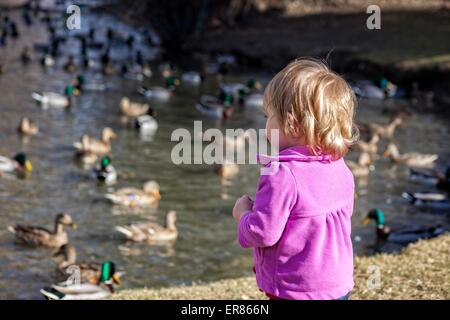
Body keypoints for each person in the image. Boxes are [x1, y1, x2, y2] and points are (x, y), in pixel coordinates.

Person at [232, 58, 358, 300]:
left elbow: (263, 232)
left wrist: (243, 215)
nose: (266, 123)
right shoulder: (339, 165)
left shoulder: (281, 174)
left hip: (296, 289)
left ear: (292, 124)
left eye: (269, 116)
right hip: (338, 286)